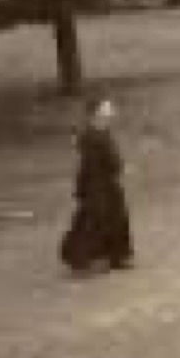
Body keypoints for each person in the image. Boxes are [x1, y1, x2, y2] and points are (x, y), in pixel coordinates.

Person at [61, 96, 135, 274]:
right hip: (96, 186)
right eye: (107, 107)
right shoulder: (92, 135)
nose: (112, 110)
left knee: (117, 218)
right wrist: (120, 167)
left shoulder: (101, 132)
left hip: (107, 184)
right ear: (97, 113)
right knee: (93, 221)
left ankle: (117, 256)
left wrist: (120, 167)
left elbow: (110, 156)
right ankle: (79, 260)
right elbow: (98, 161)